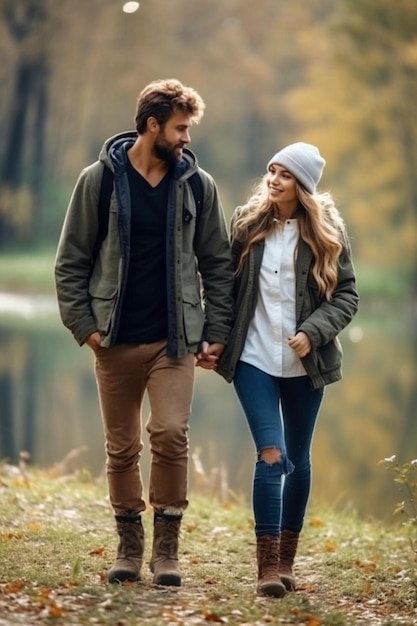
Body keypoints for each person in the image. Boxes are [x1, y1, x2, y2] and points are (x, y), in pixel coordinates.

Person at [54, 78, 234, 587]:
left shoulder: (199, 185)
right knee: (121, 447)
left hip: (173, 340)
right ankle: (129, 546)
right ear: (152, 125)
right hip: (112, 340)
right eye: (180, 128)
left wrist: (215, 329)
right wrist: (85, 327)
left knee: (171, 433)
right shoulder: (100, 180)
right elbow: (70, 261)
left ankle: (167, 551)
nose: (186, 138)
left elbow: (218, 263)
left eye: (188, 129)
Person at [200, 142, 359, 597]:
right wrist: (215, 336)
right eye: (271, 170)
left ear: (302, 185)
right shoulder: (246, 224)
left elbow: (347, 296)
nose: (272, 179)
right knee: (272, 455)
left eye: (284, 174)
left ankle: (287, 560)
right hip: (253, 359)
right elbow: (223, 290)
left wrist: (313, 330)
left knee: (300, 462)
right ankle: (267, 568)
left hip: (306, 364)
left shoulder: (328, 232)